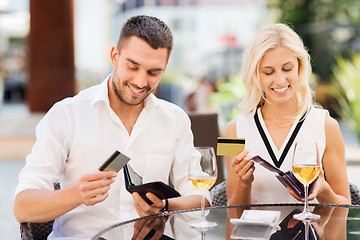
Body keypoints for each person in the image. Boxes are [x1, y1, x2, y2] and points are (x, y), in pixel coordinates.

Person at [13, 15, 208, 239]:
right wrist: (77, 194)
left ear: (164, 70)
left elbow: (200, 195)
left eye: (153, 72)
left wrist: (164, 207)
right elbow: (22, 206)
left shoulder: (175, 120)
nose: (140, 82)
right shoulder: (67, 114)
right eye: (132, 66)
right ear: (115, 56)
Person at [225, 23, 350, 215]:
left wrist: (323, 189)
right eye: (268, 72)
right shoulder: (231, 132)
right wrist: (244, 183)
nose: (280, 80)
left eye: (287, 68)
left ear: (300, 67)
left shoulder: (327, 125)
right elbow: (231, 212)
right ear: (255, 74)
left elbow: (345, 206)